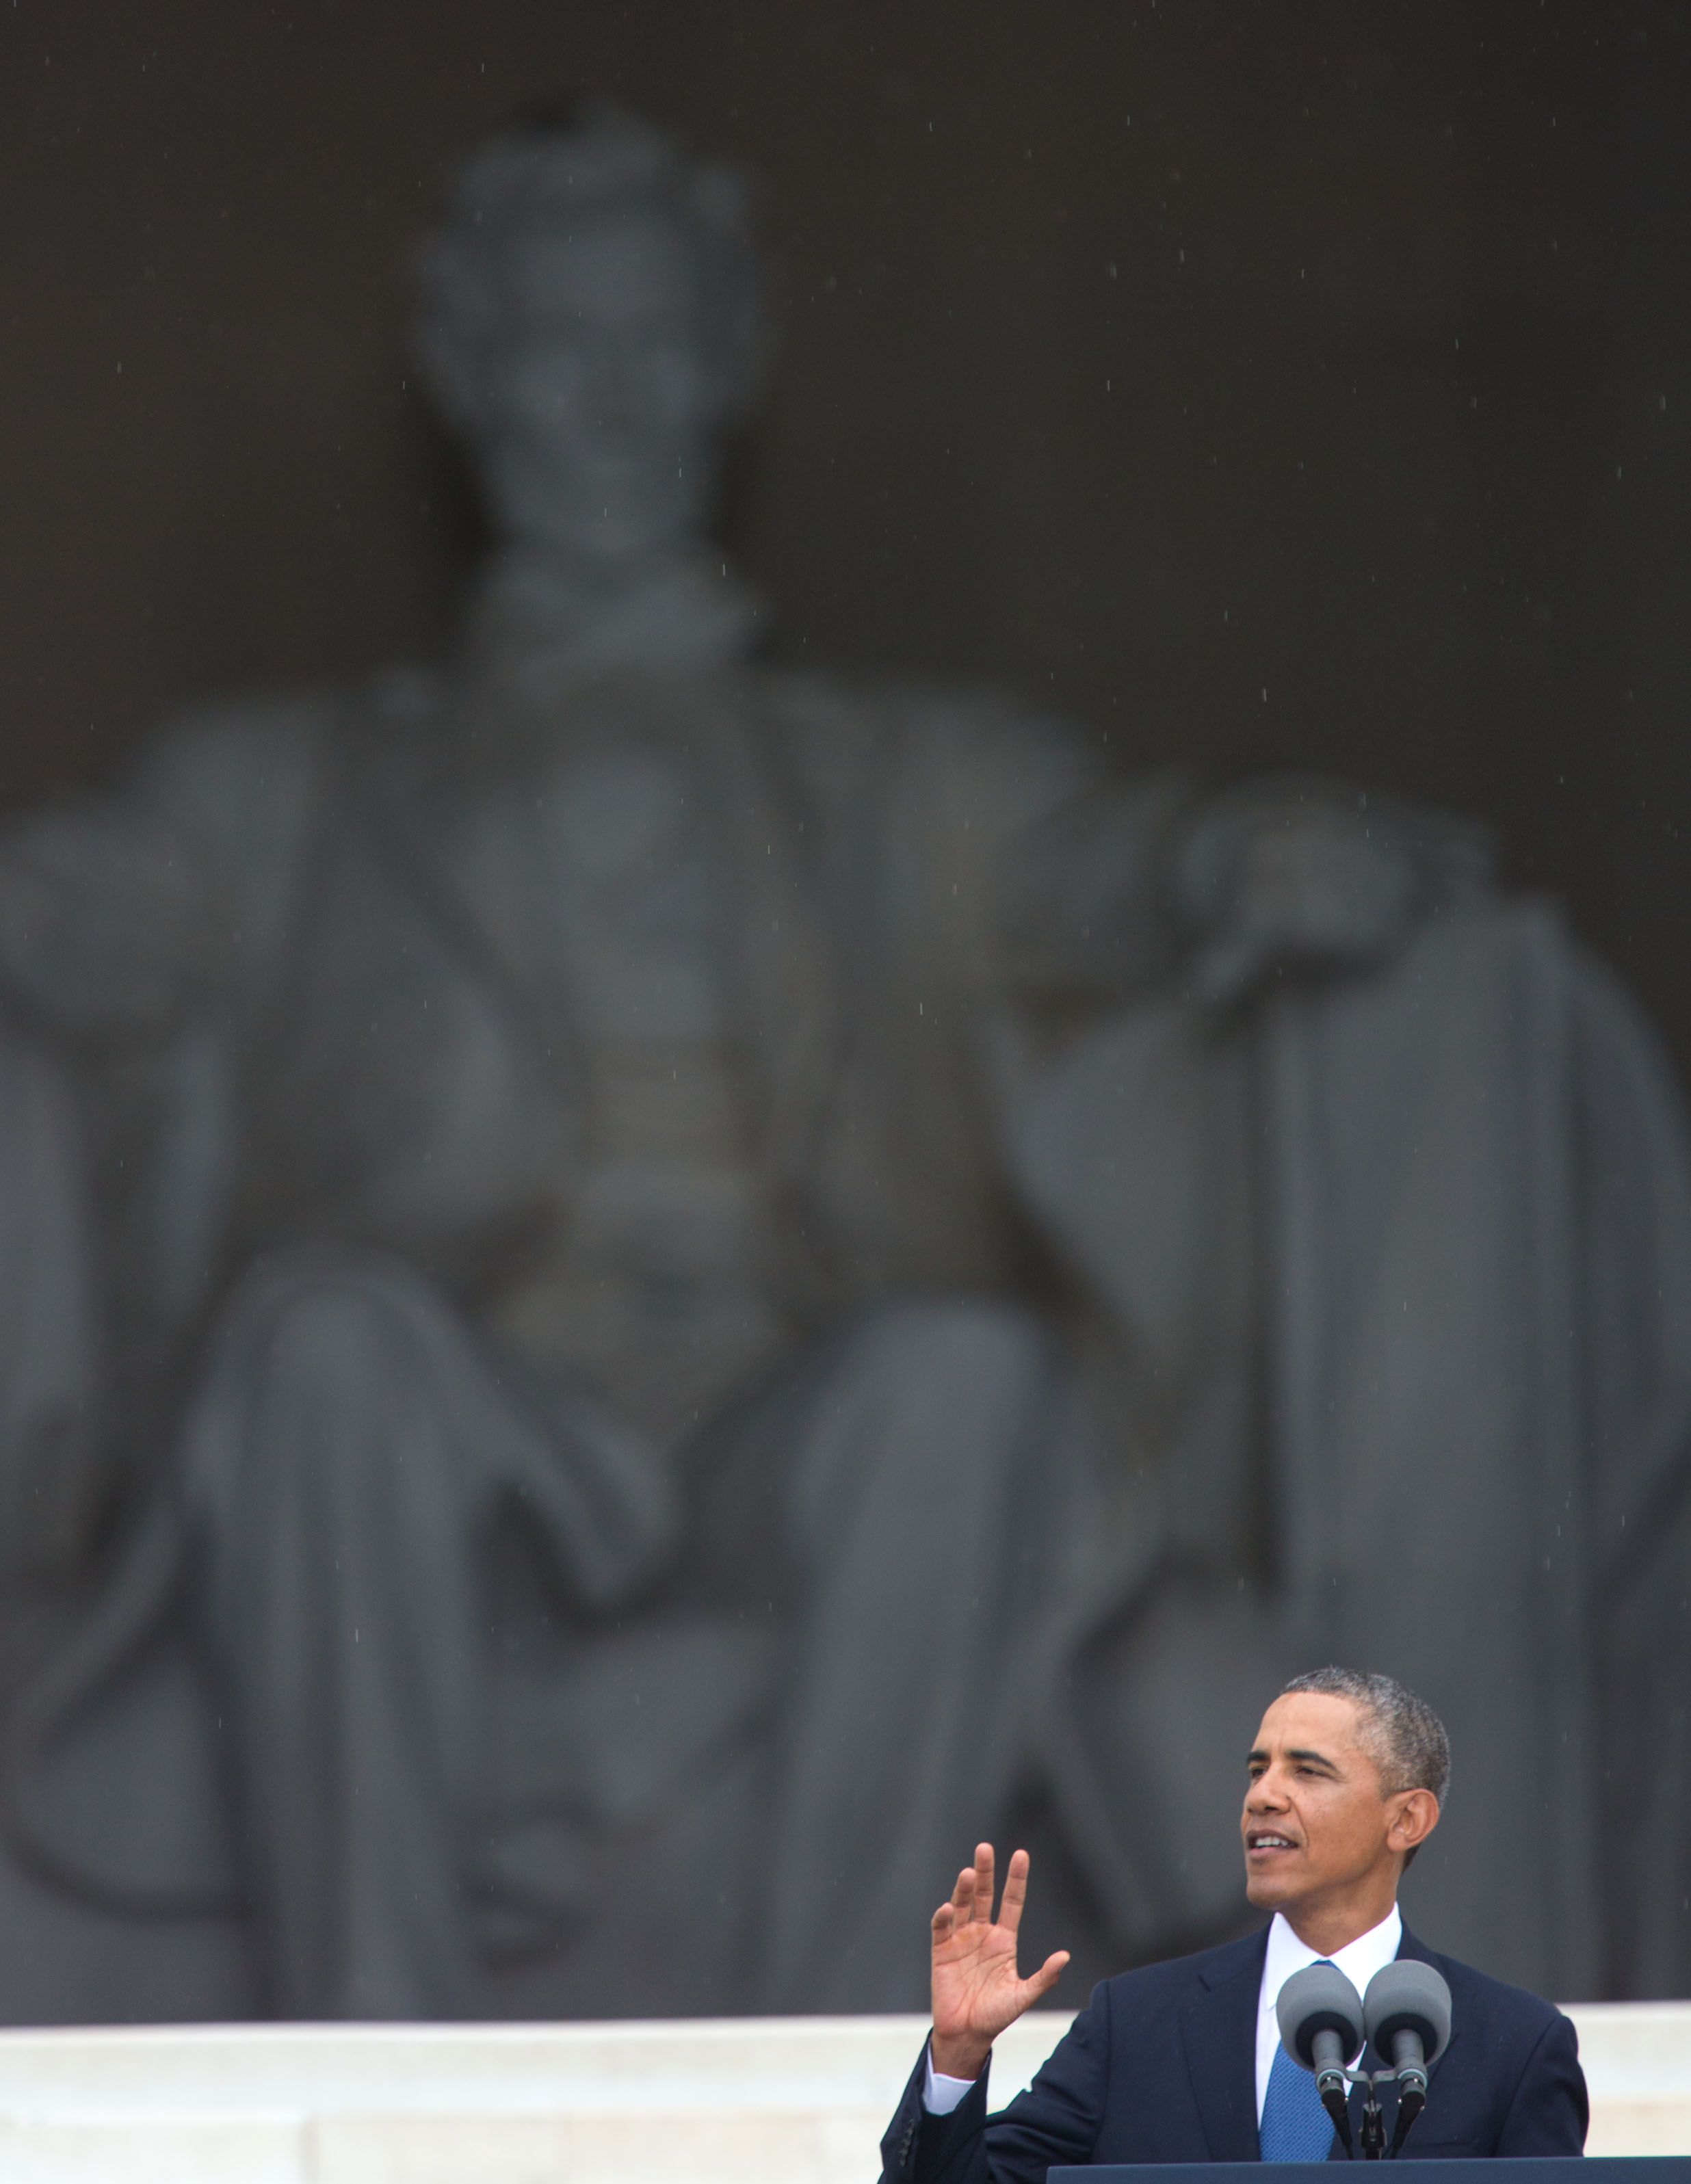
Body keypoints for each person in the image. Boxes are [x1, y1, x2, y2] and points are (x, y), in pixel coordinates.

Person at [0, 101, 1687, 2024]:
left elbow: (1118, 866)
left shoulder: (901, 776)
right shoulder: (275, 790)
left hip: (779, 1420)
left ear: (728, 373)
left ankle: (853, 2055)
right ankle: (367, 2036)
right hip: (451, 1416)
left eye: (654, 348)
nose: (611, 406)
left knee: (963, 1379)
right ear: (471, 381)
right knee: (319, 1349)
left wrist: (1247, 859)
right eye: (559, 348)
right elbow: (79, 912)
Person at [879, 1668, 1588, 2178]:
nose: (1264, 1795)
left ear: (1406, 1818)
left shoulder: (1514, 2045)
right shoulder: (1137, 2023)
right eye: (1257, 1769)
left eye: (1307, 1772)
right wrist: (959, 2056)